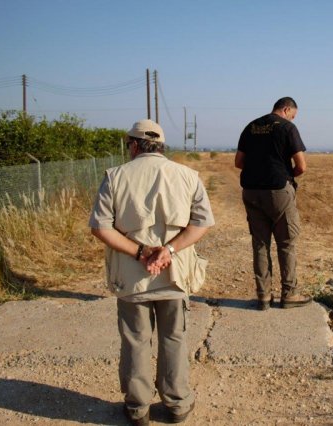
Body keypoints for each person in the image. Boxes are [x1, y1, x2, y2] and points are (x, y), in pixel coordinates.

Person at [89, 119, 214, 425]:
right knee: (174, 338)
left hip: (132, 278)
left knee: (135, 340)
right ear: (160, 146)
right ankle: (178, 404)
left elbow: (99, 226)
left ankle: (137, 408)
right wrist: (167, 251)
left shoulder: (115, 176)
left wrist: (141, 253)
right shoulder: (187, 176)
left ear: (134, 145)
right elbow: (202, 223)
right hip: (174, 275)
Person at [235, 97, 311, 310]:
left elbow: (238, 162)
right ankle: (289, 295)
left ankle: (263, 297)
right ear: (287, 109)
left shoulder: (251, 126)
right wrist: (287, 175)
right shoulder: (288, 128)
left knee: (260, 244)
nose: (294, 118)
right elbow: (302, 166)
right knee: (286, 243)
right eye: (293, 115)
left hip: (251, 191)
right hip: (278, 192)